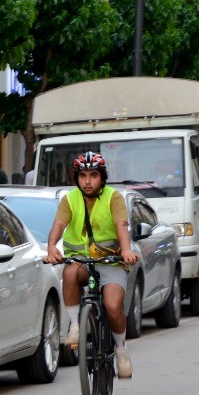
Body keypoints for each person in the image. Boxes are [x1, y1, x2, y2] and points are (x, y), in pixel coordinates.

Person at [43, 152, 140, 378]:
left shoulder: (113, 198)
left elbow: (121, 226)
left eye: (94, 175)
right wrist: (51, 247)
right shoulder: (70, 199)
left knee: (113, 306)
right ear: (76, 178)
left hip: (111, 261)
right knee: (69, 274)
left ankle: (121, 349)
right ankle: (75, 325)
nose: (88, 181)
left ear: (102, 178)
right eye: (83, 175)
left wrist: (125, 250)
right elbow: (58, 225)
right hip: (81, 261)